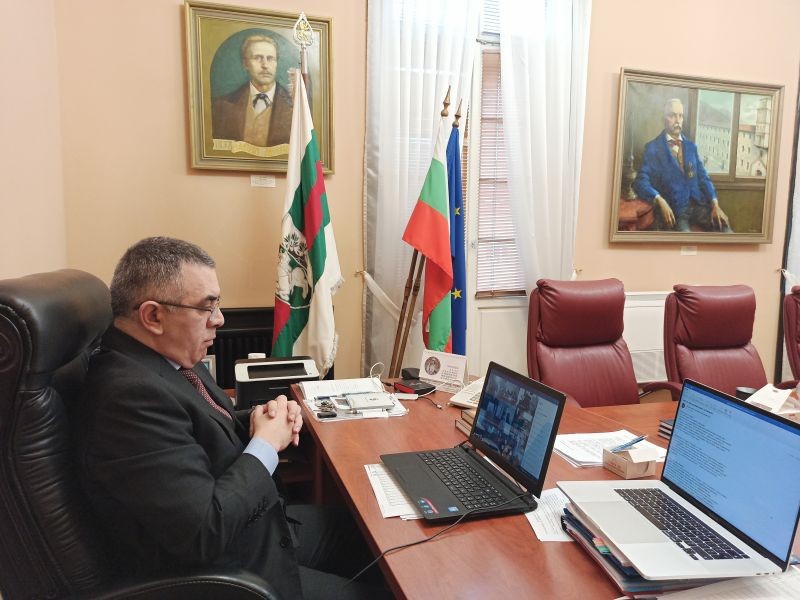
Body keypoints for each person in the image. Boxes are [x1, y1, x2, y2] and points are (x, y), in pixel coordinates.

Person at [74, 237, 388, 600]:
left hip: (259, 526)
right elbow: (203, 532)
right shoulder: (127, 399)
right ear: (153, 316)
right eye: (206, 307)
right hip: (230, 569)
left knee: (375, 532)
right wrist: (266, 443)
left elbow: (201, 425)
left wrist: (261, 416)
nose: (219, 320)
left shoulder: (167, 358)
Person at [633, 98, 732, 232]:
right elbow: (640, 181)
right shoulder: (653, 148)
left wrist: (715, 204)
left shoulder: (691, 147)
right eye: (673, 115)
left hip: (700, 206)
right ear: (664, 118)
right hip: (676, 211)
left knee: (726, 231)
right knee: (685, 239)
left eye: (680, 116)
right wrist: (659, 199)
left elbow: (703, 178)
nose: (677, 120)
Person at [211, 34, 293, 148]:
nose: (265, 65)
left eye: (270, 58)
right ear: (245, 64)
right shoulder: (222, 106)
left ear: (276, 63)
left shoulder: (294, 107)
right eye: (257, 58)